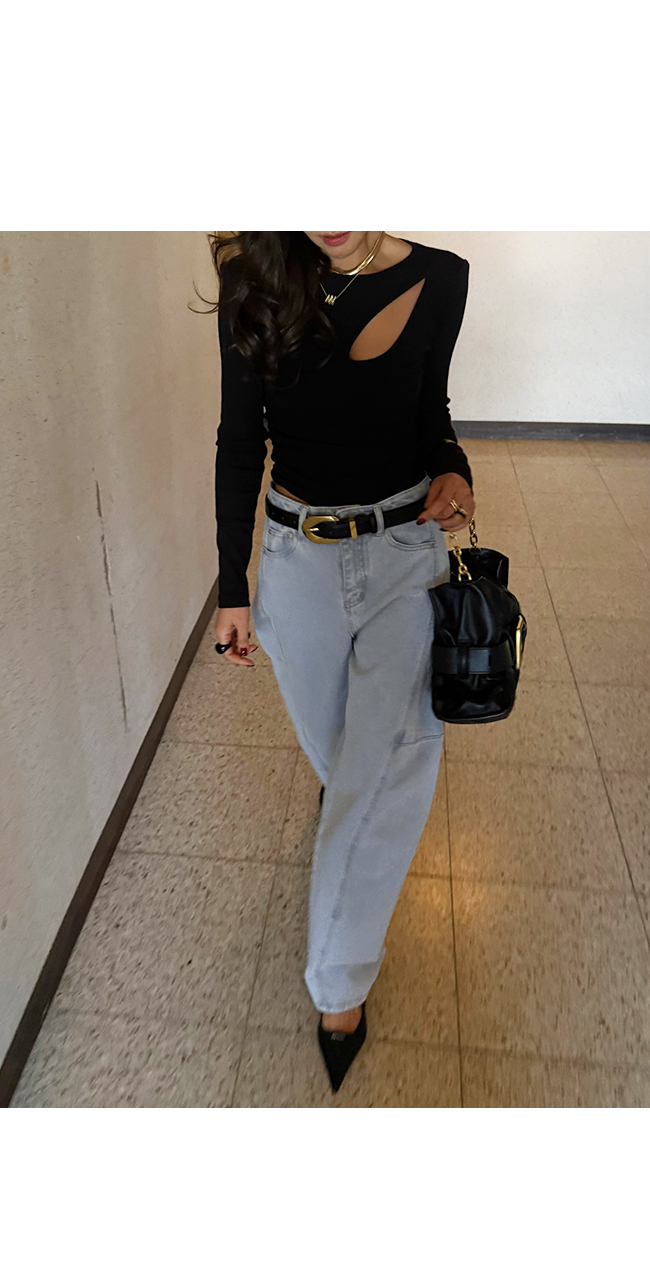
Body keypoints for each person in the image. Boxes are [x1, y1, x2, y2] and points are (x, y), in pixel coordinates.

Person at [211, 231, 475, 1092]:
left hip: (405, 551)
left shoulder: (443, 278)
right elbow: (239, 440)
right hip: (297, 560)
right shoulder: (254, 275)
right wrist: (233, 587)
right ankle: (346, 844)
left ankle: (339, 985)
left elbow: (430, 413)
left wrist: (453, 468)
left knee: (390, 772)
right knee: (342, 767)